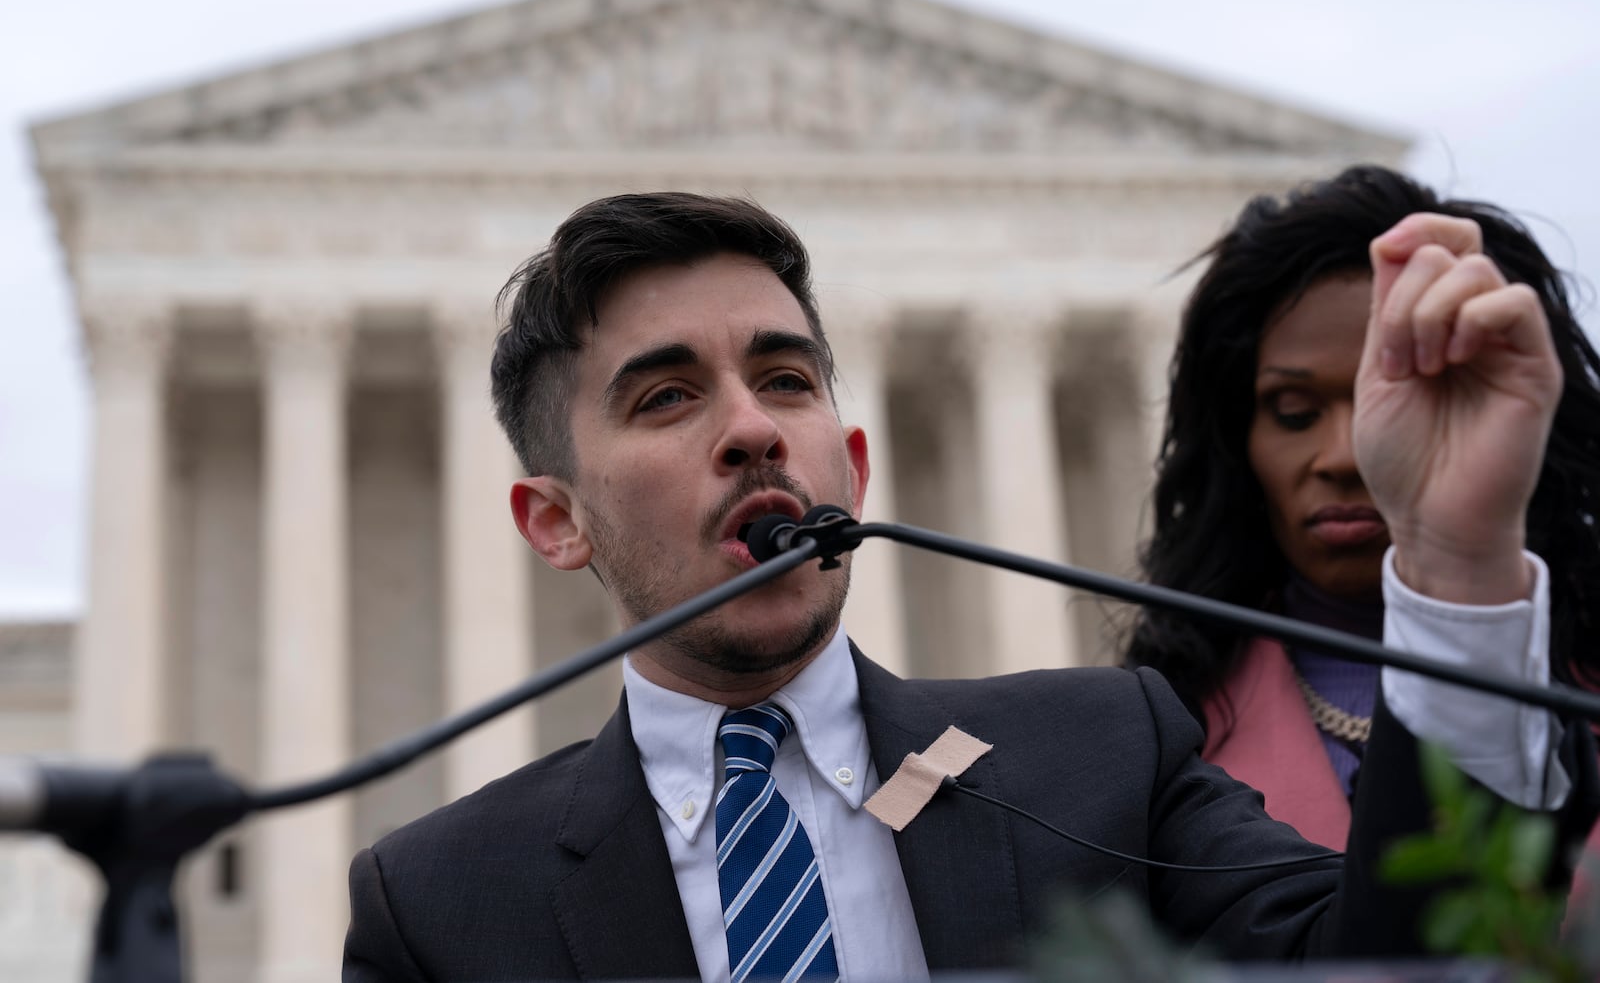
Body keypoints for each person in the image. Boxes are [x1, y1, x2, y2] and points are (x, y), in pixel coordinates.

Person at [344, 191, 1593, 982]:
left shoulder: (1103, 753)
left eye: (786, 380)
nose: (751, 429)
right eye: (666, 396)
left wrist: (1451, 552)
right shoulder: (443, 904)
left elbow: (1417, 963)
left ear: (855, 464)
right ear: (554, 521)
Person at [1123, 164, 1600, 852]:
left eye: (1414, 397)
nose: (1348, 455)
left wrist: (1463, 557)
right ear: (1235, 445)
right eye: (1294, 412)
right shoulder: (1161, 741)